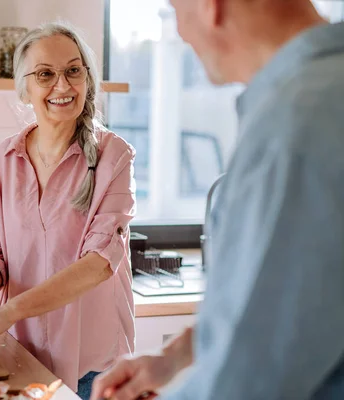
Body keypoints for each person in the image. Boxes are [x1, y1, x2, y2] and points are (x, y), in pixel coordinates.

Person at [91, 0, 344, 399]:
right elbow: (292, 308)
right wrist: (172, 359)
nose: (180, 30)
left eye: (175, 7)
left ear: (210, 6)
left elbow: (253, 380)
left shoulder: (295, 123)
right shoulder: (325, 89)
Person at [0, 21, 137, 399]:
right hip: (22, 352)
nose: (63, 86)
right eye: (45, 74)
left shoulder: (114, 156)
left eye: (73, 70)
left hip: (92, 365)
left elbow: (99, 263)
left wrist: (5, 313)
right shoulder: (6, 158)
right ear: (25, 90)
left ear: (88, 78)